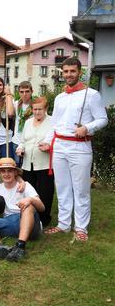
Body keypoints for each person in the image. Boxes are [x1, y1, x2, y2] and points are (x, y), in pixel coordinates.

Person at [39, 58, 107, 241]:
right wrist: (47, 141)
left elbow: (102, 119)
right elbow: (55, 124)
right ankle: (63, 224)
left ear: (80, 72)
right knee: (62, 187)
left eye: (72, 71)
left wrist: (87, 128)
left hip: (80, 146)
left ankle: (81, 227)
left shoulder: (92, 95)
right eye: (66, 71)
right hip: (60, 146)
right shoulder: (60, 97)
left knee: (81, 189)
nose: (69, 74)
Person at [0, 157, 45, 262]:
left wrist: (30, 200)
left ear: (15, 172)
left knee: (28, 206)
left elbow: (42, 207)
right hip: (8, 221)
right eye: (3, 171)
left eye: (10, 171)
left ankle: (20, 246)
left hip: (29, 222)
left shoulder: (25, 185)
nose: (6, 174)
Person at [15, 97, 54, 226]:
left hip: (44, 164)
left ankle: (44, 218)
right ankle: (29, 215)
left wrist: (48, 146)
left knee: (45, 192)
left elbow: (53, 140)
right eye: (35, 109)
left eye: (40, 109)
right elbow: (23, 141)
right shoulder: (28, 122)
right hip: (27, 164)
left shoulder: (53, 122)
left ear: (46, 109)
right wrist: (20, 148)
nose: (37, 112)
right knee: (28, 191)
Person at [12, 81, 33, 166]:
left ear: (32, 91)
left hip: (29, 141)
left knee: (28, 168)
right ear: (19, 92)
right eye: (22, 92)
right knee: (17, 167)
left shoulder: (35, 106)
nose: (24, 94)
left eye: (27, 91)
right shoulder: (16, 104)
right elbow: (9, 113)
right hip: (16, 141)